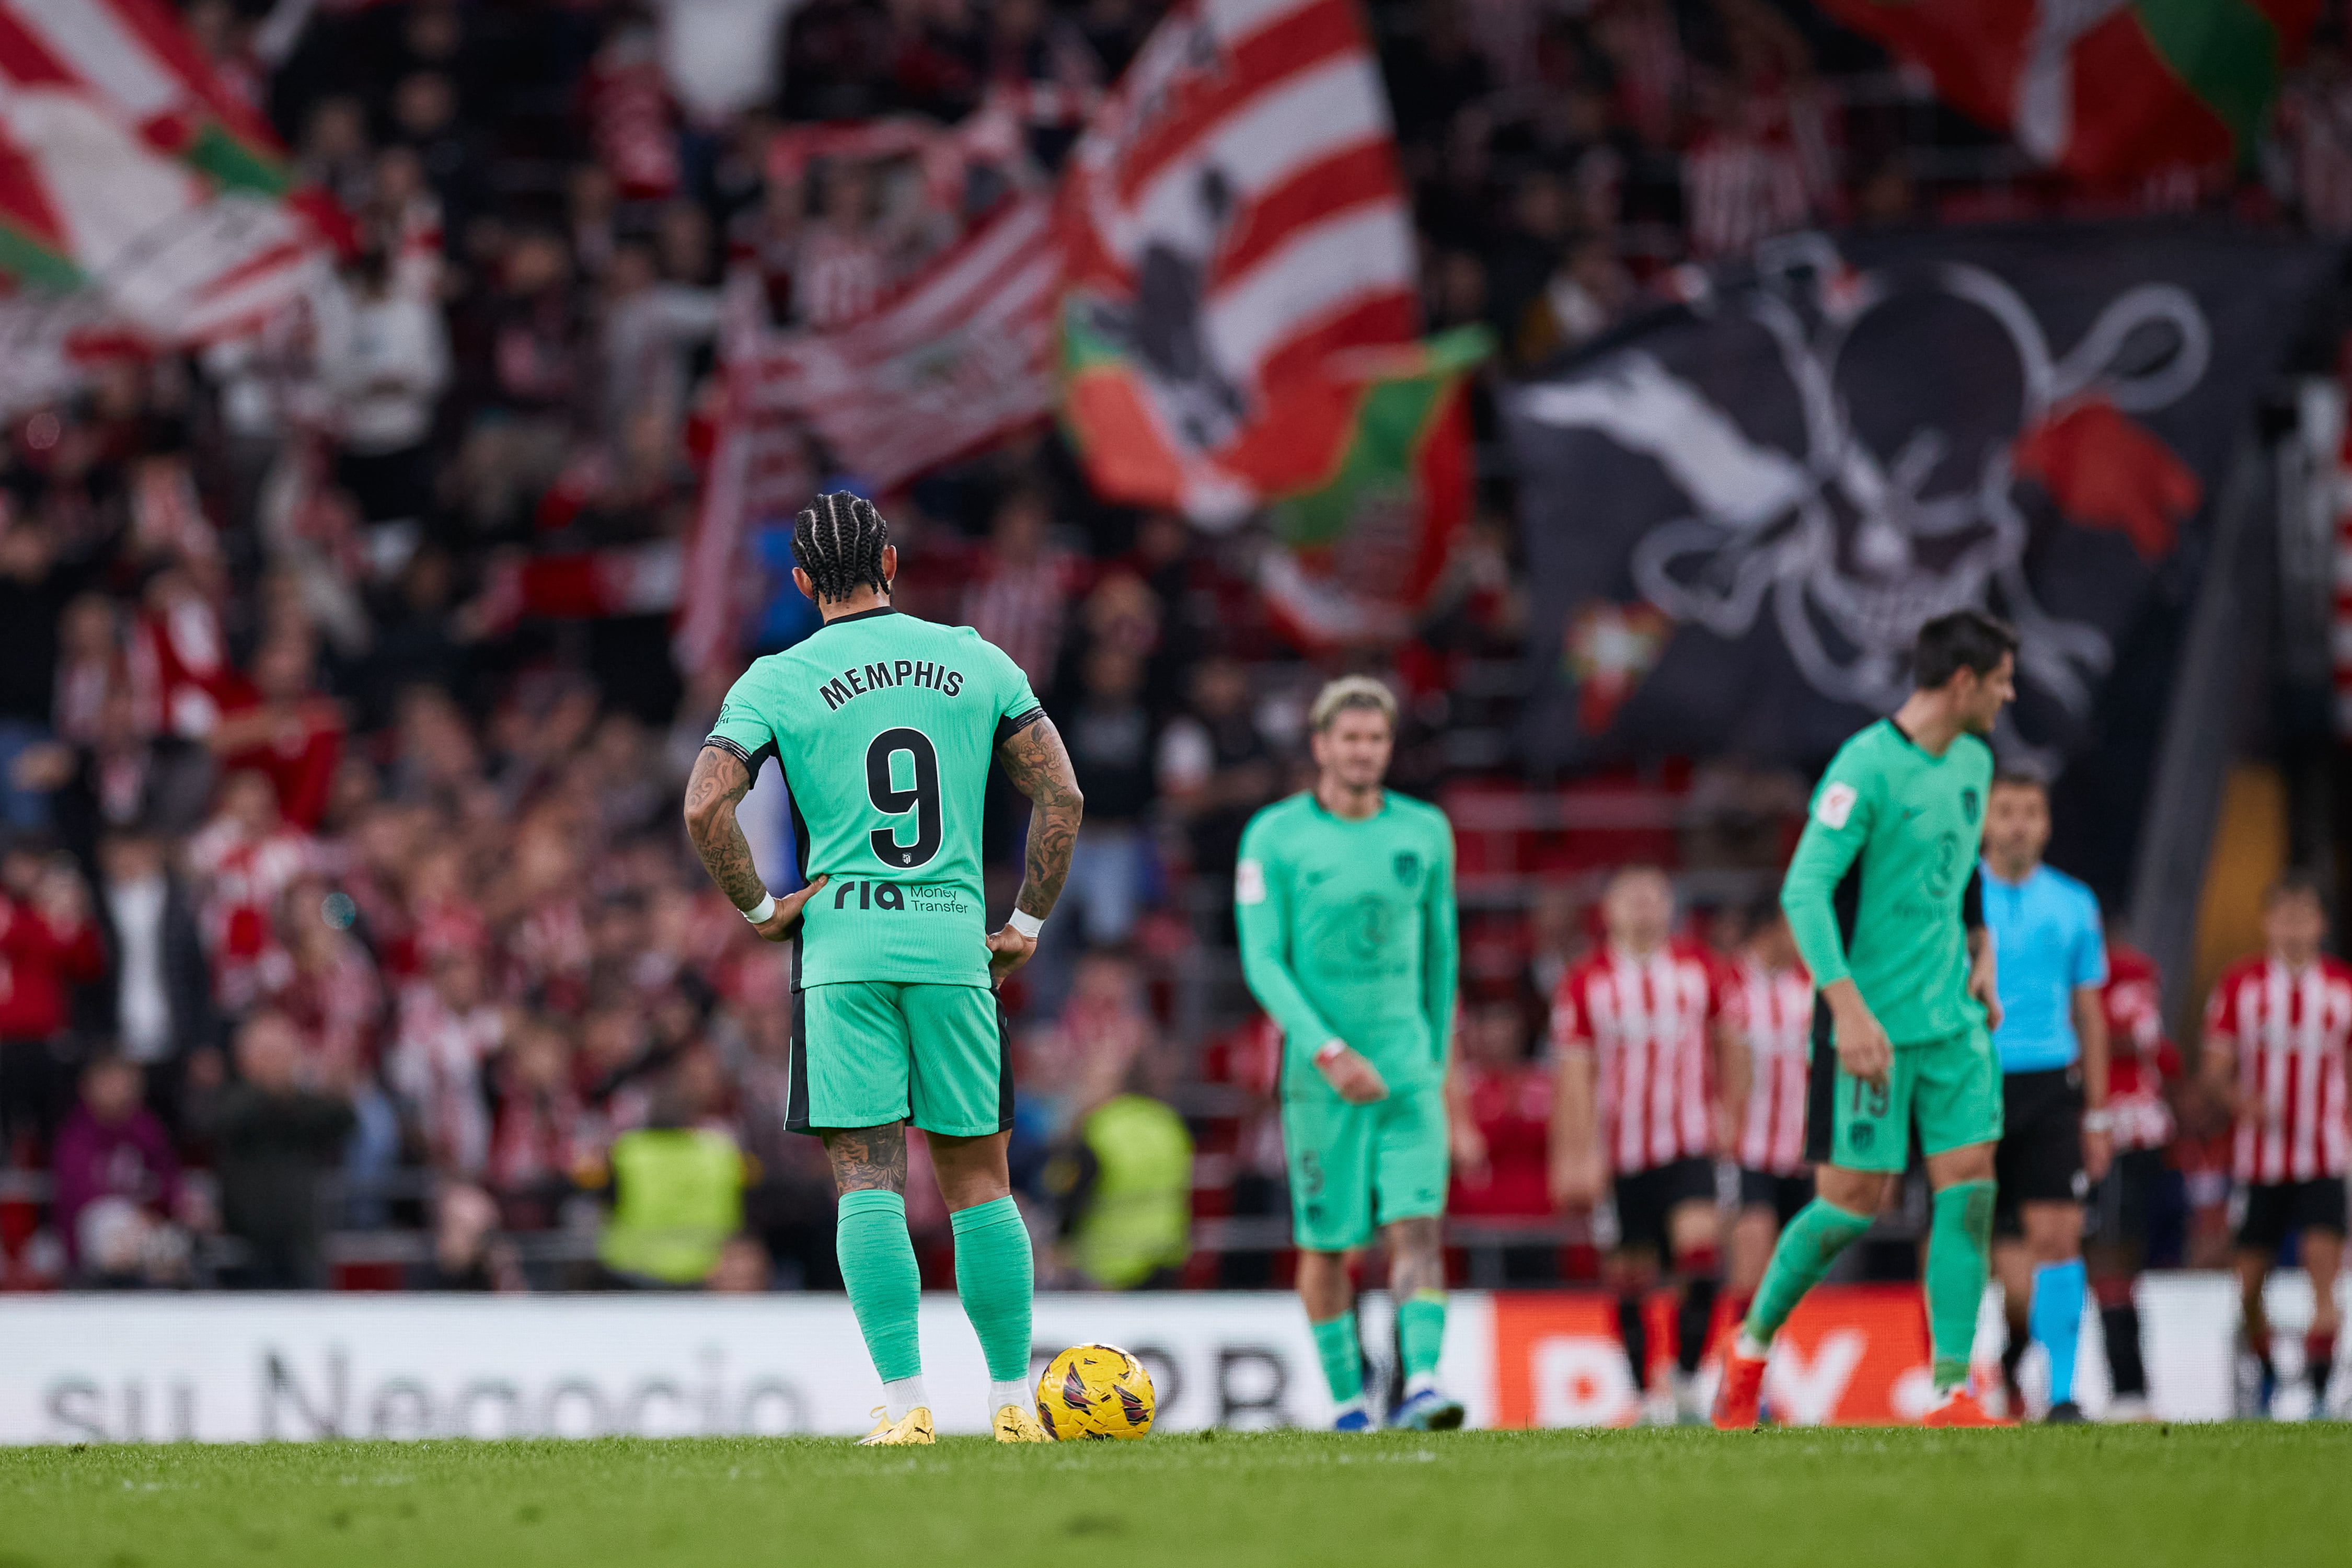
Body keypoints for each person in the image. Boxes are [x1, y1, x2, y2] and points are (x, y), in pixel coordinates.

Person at [684, 491, 1083, 1446]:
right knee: (981, 1185)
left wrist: (760, 909)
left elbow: (705, 808)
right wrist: (1025, 920)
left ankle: (907, 1409)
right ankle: (1010, 1404)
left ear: (798, 583)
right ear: (892, 564)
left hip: (843, 950)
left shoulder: (776, 679)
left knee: (867, 1182)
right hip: (952, 944)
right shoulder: (975, 657)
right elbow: (1061, 793)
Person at [1714, 608, 2016, 1429]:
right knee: (1851, 1206)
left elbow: (1963, 871)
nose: (2010, 692)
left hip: (1951, 1023)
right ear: (1962, 682)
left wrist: (1981, 948)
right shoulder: (1865, 766)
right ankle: (1749, 1351)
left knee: (1970, 1191)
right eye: (2000, 679)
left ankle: (1954, 1386)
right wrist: (1845, 1011)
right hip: (1870, 1028)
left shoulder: (1977, 763)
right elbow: (1803, 892)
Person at [1234, 676, 1462, 1432]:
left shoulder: (1426, 831)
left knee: (1419, 1226)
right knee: (1330, 1248)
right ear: (1322, 746)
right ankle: (1346, 1402)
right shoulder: (1273, 837)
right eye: (1352, 739)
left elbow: (1441, 955)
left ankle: (1423, 1382)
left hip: (1407, 1071)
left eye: (1377, 739)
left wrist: (1431, 1059)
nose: (1365, 751)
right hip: (1320, 1077)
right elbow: (1264, 961)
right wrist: (1329, 1052)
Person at [1549, 867, 1747, 1424]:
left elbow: (1731, 1045)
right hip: (1620, 1152)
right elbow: (1575, 1073)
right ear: (1608, 910)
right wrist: (1577, 1154)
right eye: (1630, 897)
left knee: (1701, 1250)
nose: (1642, 907)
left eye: (1653, 896)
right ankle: (1642, 1395)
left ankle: (1685, 1378)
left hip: (1688, 1143)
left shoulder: (1701, 969)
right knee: (1630, 1276)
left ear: (1670, 906)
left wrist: (1732, 1116)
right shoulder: (1586, 980)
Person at [1978, 769, 2111, 1424]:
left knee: (2058, 1240)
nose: (2019, 824)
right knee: (1992, 1263)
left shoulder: (2075, 903)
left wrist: (2100, 1111)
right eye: (2006, 812)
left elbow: (2090, 1011)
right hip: (1970, 1085)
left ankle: (2062, 1394)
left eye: (2031, 812)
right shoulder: (1955, 898)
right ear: (1984, 822)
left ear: (2048, 824)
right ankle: (1980, 1373)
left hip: (2050, 1086)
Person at [2200, 872, 2352, 1419]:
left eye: (2304, 916)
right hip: (2258, 1163)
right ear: (2267, 922)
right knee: (2248, 1287)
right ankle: (2263, 1375)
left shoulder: (2342, 987)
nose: (2293, 926)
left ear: (2321, 924)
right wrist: (2243, 1100)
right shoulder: (2241, 986)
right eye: (2283, 915)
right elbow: (2214, 1070)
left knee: (2323, 1273)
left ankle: (2316, 1394)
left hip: (2325, 1159)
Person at [200, 1011, 358, 1289]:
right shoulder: (230, 1099)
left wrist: (338, 1086)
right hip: (248, 1244)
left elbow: (345, 1122)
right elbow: (221, 1123)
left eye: (285, 1052)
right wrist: (268, 1090)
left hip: (301, 1240)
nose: (280, 1062)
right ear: (246, 1059)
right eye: (270, 1053)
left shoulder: (302, 1104)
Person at [1726, 904, 1814, 1333]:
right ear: (1773, 927)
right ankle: (1741, 1376)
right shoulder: (1727, 986)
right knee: (1750, 1263)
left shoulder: (1811, 987)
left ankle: (1771, 1372)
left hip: (1802, 1153)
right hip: (1748, 1153)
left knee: (1793, 1274)